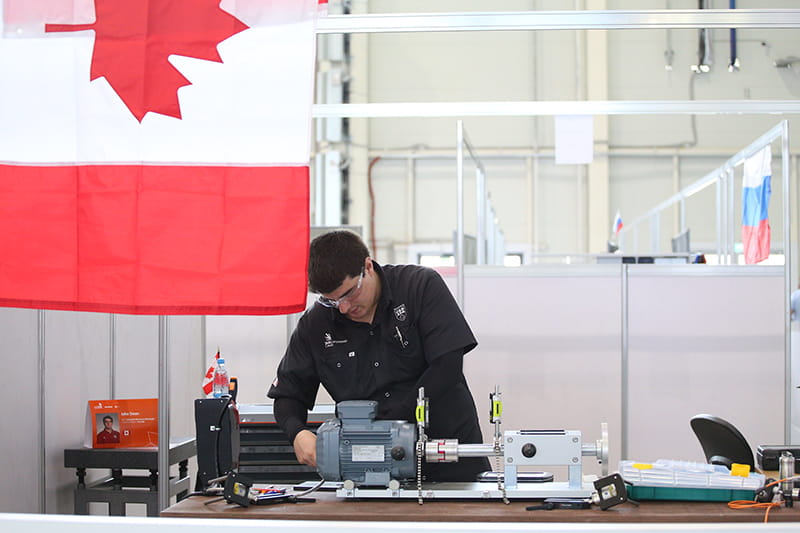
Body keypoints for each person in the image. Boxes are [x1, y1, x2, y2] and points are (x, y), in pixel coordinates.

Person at [268, 230, 490, 482]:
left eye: (349, 293)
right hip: (368, 472)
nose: (344, 308)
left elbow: (447, 364)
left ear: (368, 266)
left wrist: (393, 422)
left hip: (447, 455)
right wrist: (297, 433)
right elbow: (288, 394)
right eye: (331, 301)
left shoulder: (419, 287)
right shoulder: (316, 324)